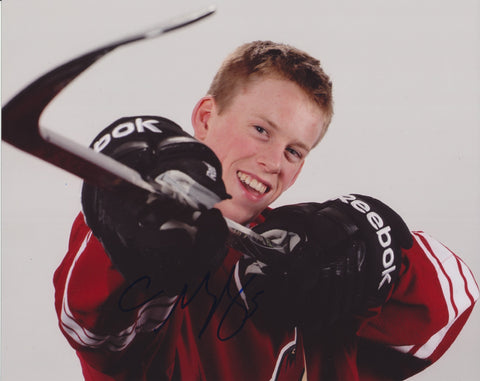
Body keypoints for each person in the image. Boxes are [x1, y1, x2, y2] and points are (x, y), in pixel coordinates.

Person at [53, 41, 478, 380]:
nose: (274, 161)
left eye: (294, 151)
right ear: (204, 117)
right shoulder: (142, 239)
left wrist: (369, 247)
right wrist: (128, 220)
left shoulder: (308, 262)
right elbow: (95, 332)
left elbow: (452, 305)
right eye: (261, 130)